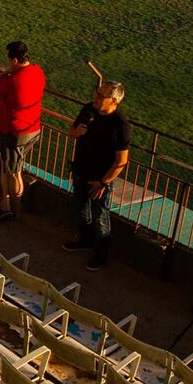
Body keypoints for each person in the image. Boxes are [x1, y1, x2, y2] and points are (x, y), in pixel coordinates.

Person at [62, 81, 131, 271]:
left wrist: (103, 182)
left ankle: (101, 253)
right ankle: (86, 240)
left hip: (100, 179)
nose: (96, 97)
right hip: (81, 171)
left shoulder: (121, 124)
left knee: (101, 216)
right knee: (81, 208)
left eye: (102, 95)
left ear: (114, 101)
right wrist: (77, 132)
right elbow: (71, 132)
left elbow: (121, 161)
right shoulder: (88, 109)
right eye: (97, 92)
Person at [0, 41, 46, 222]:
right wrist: (9, 71)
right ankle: (6, 203)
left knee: (13, 171)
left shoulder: (10, 80)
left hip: (14, 132)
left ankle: (15, 208)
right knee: (10, 168)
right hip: (32, 128)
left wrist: (5, 74)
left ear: (13, 60)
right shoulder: (37, 71)